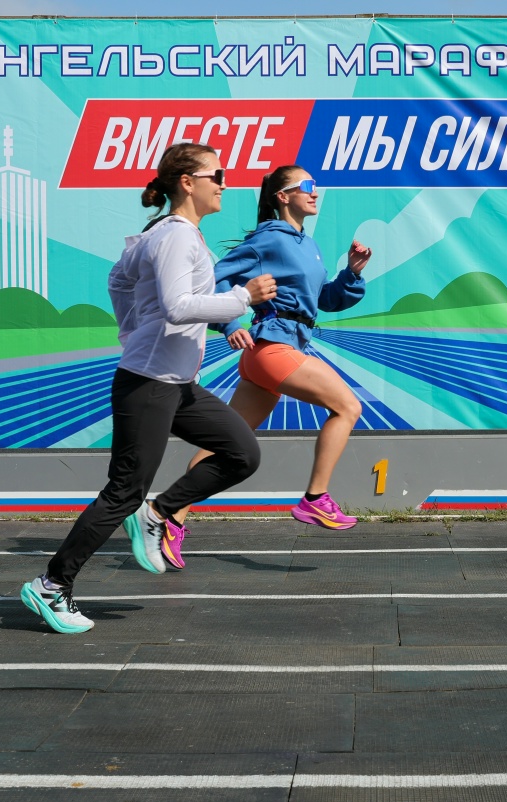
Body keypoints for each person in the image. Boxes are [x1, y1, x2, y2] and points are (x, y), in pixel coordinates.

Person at [20, 143, 277, 634]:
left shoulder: (162, 233)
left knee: (242, 453)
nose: (225, 184)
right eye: (217, 175)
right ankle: (51, 585)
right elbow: (179, 307)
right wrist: (242, 297)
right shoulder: (176, 235)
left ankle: (157, 513)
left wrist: (134, 332)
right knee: (122, 493)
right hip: (149, 385)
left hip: (175, 385)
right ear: (187, 182)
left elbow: (119, 282)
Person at [166, 164, 373, 540]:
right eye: (307, 185)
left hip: (271, 355)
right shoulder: (271, 238)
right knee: (348, 407)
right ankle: (315, 498)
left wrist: (352, 273)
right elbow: (213, 280)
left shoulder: (307, 245)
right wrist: (230, 323)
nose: (314, 192)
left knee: (227, 443)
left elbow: (323, 300)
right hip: (272, 349)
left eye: (315, 185)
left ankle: (169, 517)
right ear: (283, 196)